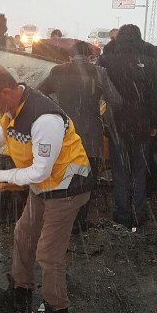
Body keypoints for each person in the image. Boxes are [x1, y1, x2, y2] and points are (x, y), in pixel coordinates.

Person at [0, 64, 92, 313]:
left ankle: (57, 311)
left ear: (5, 92)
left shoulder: (44, 119)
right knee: (23, 234)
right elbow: (7, 130)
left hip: (66, 187)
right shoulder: (13, 105)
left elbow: (40, 171)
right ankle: (20, 292)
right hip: (44, 185)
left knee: (48, 253)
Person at [38, 40, 119, 231]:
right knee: (85, 180)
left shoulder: (57, 72)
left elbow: (38, 92)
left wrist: (54, 110)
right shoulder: (98, 72)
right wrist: (103, 114)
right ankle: (79, 222)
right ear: (90, 55)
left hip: (63, 132)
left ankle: (61, 220)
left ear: (69, 55)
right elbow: (116, 100)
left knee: (62, 176)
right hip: (91, 133)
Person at [99, 24, 157, 228]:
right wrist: (154, 123)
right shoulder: (151, 63)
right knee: (139, 171)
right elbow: (155, 98)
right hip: (143, 125)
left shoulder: (107, 61)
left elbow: (99, 93)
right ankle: (138, 213)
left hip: (117, 125)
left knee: (120, 170)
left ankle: (122, 213)